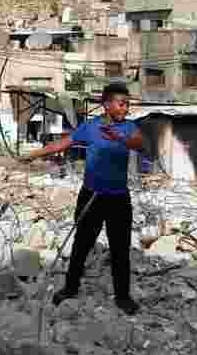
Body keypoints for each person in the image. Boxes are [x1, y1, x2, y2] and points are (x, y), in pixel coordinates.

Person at [22, 82, 144, 315]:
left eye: (128, 104)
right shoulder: (90, 127)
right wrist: (34, 154)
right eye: (122, 103)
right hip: (91, 196)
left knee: (120, 249)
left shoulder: (129, 127)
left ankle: (122, 297)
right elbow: (63, 143)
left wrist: (120, 138)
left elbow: (141, 144)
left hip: (118, 199)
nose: (126, 108)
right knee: (81, 245)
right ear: (106, 105)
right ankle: (70, 288)